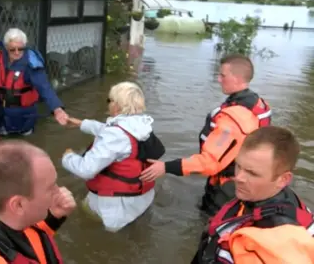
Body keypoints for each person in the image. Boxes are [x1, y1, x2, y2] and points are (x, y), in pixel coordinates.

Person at [140, 54, 272, 216]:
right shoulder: (258, 103)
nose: (218, 80)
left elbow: (210, 163)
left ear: (237, 78)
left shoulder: (233, 119)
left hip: (228, 189)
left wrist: (165, 167)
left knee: (212, 228)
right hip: (246, 182)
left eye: (223, 75)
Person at [191, 126, 314, 264]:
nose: (239, 178)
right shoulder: (258, 195)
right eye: (238, 166)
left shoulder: (276, 241)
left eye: (252, 173)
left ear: (283, 179)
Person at [61, 82, 165, 232]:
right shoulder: (142, 125)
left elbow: (86, 169)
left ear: (116, 106)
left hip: (116, 208)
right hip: (142, 199)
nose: (108, 104)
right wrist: (81, 124)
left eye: (109, 100)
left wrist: (68, 157)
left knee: (87, 217)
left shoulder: (115, 135)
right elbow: (111, 132)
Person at [0, 28, 68, 137]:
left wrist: (57, 109)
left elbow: (45, 88)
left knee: (24, 147)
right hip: (1, 113)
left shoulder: (31, 64)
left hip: (24, 115)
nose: (17, 52)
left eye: (20, 49)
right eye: (12, 49)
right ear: (6, 48)